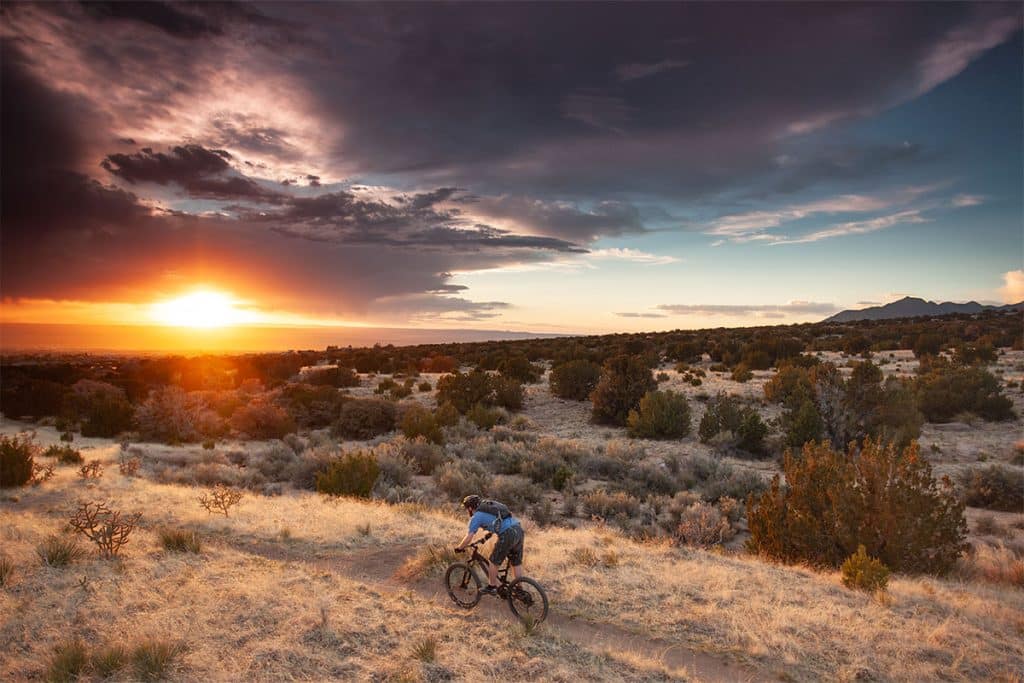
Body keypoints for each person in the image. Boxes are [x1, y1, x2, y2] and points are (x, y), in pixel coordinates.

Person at [454, 494, 525, 595]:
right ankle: (519, 589)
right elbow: (497, 522)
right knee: (516, 562)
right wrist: (486, 537)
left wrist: (460, 548)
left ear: (470, 508)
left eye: (467, 509)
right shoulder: (489, 509)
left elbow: (469, 537)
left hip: (508, 534)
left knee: (493, 562)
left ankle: (492, 586)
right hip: (518, 529)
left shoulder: (477, 516)